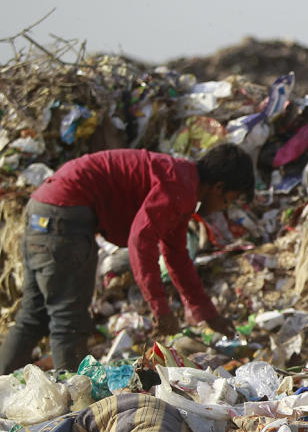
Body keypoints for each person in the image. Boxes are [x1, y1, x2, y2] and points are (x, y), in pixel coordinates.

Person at [0, 142, 254, 374]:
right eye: (228, 201)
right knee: (69, 321)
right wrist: (160, 308)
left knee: (33, 317)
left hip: (42, 208)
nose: (224, 208)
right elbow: (140, 240)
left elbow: (177, 256)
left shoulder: (180, 182)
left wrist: (209, 315)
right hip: (66, 217)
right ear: (219, 187)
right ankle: (71, 412)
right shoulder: (180, 187)